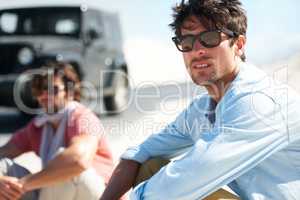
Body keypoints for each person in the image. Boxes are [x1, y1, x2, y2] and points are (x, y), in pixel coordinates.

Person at [100, 0, 300, 199]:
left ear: (238, 45)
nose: (197, 51)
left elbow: (188, 177)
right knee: (150, 166)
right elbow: (139, 153)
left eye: (210, 38)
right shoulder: (203, 109)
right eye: (187, 43)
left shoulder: (257, 102)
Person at [0, 62, 114, 200]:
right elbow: (4, 151)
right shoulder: (39, 126)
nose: (45, 95)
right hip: (54, 194)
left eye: (52, 89)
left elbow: (78, 160)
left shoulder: (84, 117)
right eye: (39, 90)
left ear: (70, 92)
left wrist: (22, 184)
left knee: (66, 164)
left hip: (100, 193)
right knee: (3, 166)